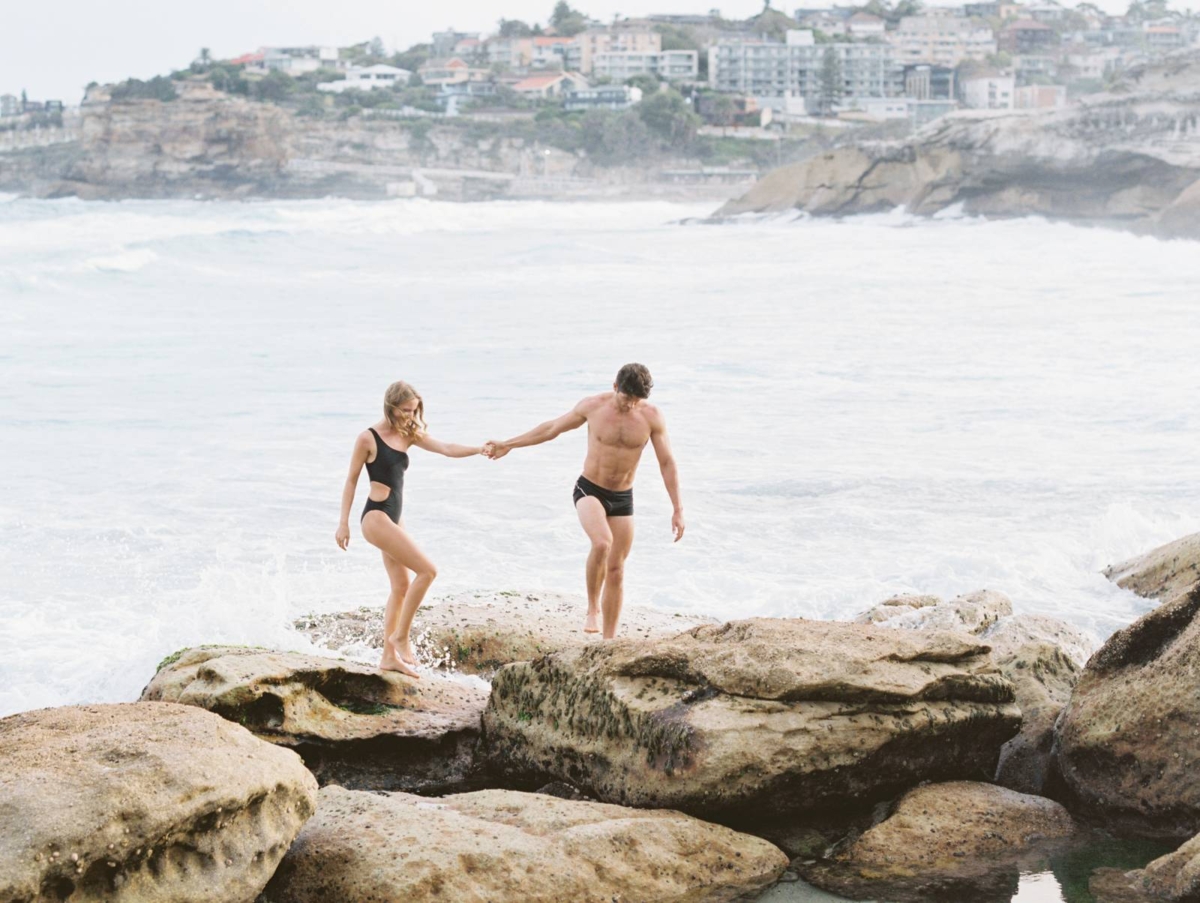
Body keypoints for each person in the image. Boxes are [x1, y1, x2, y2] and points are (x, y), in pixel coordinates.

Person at [485, 363, 684, 639]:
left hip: (623, 497)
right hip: (590, 489)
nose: (631, 405)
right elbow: (551, 428)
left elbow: (667, 462)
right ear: (616, 387)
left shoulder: (652, 417)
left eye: (638, 400)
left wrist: (677, 509)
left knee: (617, 569)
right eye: (627, 398)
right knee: (602, 542)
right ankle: (593, 608)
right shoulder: (593, 407)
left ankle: (609, 641)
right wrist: (509, 444)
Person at [336, 381, 483, 678]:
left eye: (414, 410)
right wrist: (343, 523)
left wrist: (479, 449)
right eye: (405, 411)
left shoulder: (409, 433)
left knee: (401, 586)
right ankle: (400, 637)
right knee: (428, 571)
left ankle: (388, 658)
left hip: (394, 517)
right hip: (376, 517)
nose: (410, 416)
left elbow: (446, 448)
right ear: (391, 407)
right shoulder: (368, 438)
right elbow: (351, 479)